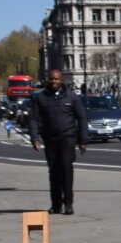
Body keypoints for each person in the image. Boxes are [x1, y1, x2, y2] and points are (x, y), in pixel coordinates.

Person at [30, 69, 88, 216]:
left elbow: (82, 118)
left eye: (56, 79)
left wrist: (83, 140)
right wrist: (35, 138)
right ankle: (55, 204)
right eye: (51, 79)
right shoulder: (40, 98)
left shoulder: (72, 97)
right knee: (53, 171)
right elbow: (34, 119)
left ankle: (68, 203)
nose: (54, 81)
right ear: (48, 80)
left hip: (67, 138)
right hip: (50, 139)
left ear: (61, 80)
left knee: (66, 170)